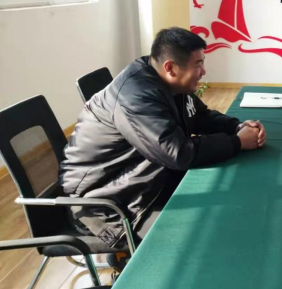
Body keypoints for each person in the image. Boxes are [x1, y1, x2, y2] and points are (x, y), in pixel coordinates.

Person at [59, 27, 266, 250]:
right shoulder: (136, 96)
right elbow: (178, 153)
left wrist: (236, 126)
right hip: (108, 206)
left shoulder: (168, 83)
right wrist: (237, 142)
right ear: (170, 67)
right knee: (207, 234)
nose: (203, 71)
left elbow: (200, 116)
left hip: (146, 184)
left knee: (231, 201)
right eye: (198, 64)